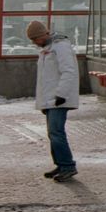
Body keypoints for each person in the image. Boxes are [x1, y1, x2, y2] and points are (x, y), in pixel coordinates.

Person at [27, 20, 80, 182]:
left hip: (58, 99)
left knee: (56, 133)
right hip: (52, 99)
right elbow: (46, 80)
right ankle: (61, 164)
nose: (34, 43)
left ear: (43, 35)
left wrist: (61, 95)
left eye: (35, 39)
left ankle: (67, 166)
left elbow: (68, 71)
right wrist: (44, 102)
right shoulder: (48, 49)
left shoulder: (60, 47)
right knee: (54, 133)